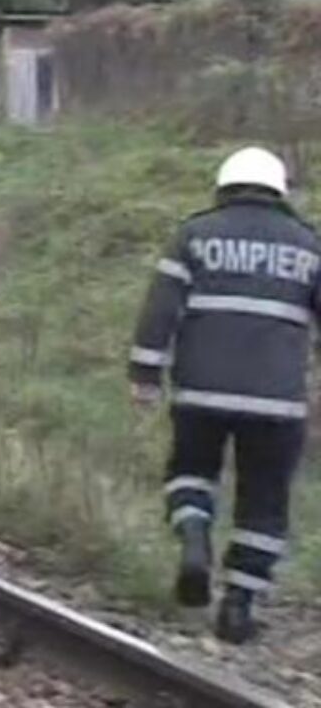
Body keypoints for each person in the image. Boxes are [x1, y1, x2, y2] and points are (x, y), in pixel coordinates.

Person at [131, 146, 318, 644]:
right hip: (277, 402)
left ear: (223, 186)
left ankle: (195, 536)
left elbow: (160, 310)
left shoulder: (194, 234)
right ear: (280, 189)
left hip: (201, 393)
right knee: (265, 501)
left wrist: (145, 373)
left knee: (190, 472)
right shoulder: (309, 244)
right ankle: (238, 606)